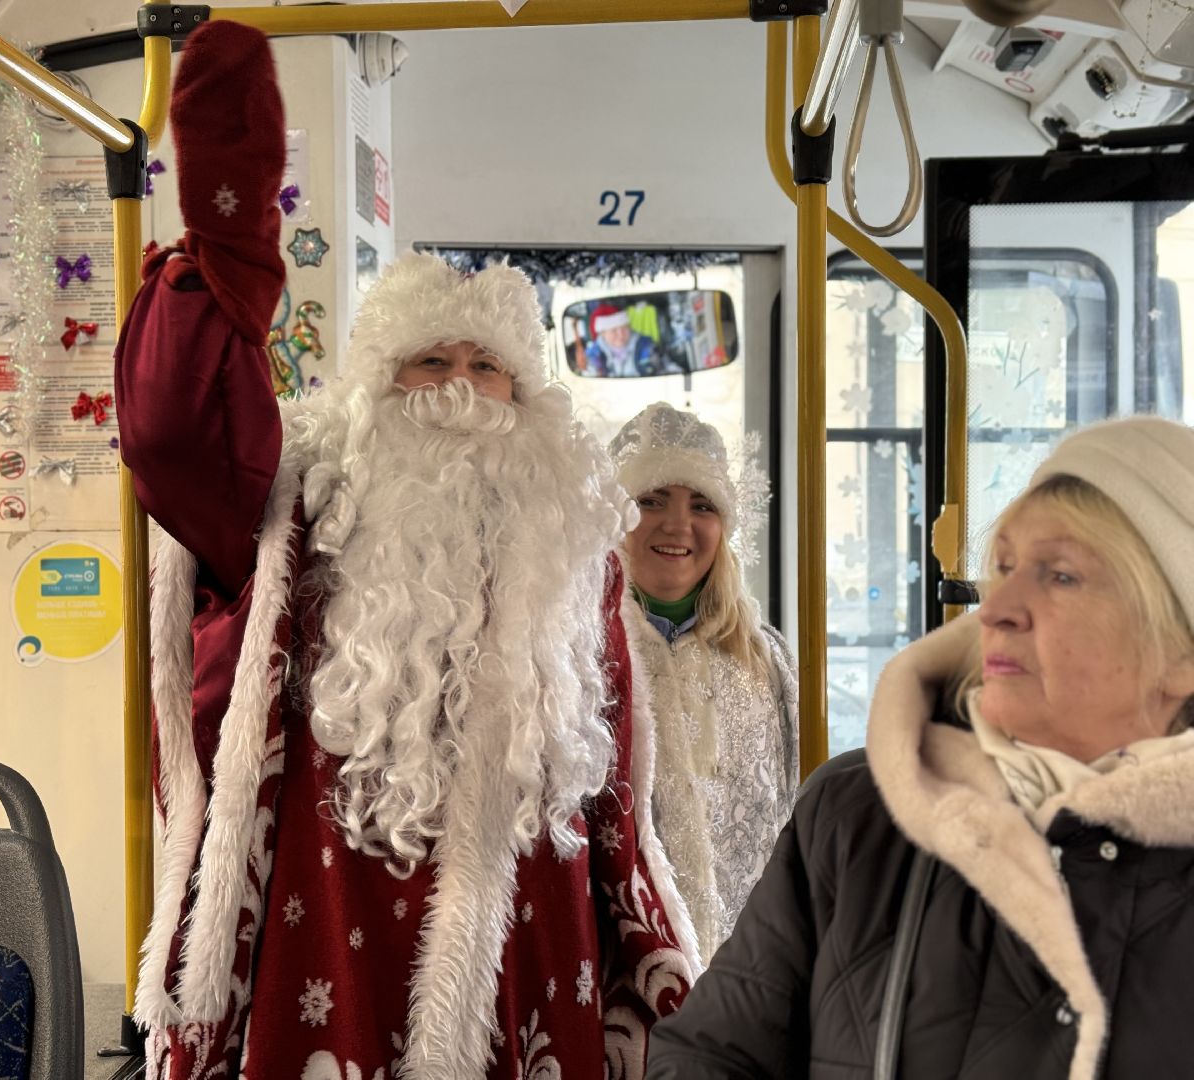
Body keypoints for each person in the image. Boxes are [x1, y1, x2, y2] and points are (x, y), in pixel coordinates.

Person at [115, 22, 696, 1080]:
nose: (462, 389)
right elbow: (171, 434)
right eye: (430, 362)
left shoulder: (577, 547)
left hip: (540, 951)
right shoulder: (294, 514)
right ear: (375, 391)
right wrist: (229, 253)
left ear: (530, 400)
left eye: (489, 366)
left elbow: (618, 802)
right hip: (325, 943)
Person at [647, 415, 1194, 1080]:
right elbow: (709, 1053)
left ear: (1181, 656)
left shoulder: (766, 663)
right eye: (1006, 567)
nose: (994, 609)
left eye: (1061, 576)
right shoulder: (859, 813)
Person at [610, 404, 798, 968]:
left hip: (749, 974)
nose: (677, 524)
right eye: (651, 500)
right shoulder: (581, 653)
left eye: (701, 505)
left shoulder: (767, 661)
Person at [587, 303, 661, 377]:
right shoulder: (594, 355)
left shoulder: (648, 346)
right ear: (603, 334)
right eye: (614, 330)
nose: (621, 335)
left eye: (624, 328)